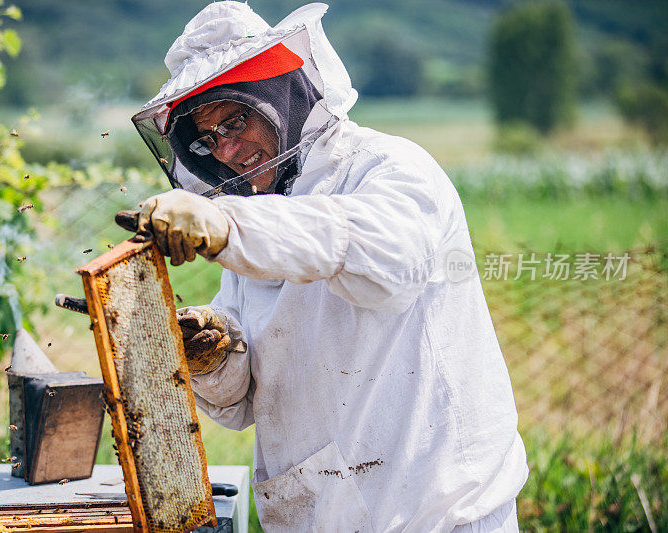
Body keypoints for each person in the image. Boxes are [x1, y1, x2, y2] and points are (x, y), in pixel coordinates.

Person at [127, 2, 528, 531]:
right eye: (207, 138)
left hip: (440, 511)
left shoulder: (387, 167)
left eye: (236, 119)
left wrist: (228, 225)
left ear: (282, 94)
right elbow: (241, 401)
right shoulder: (256, 214)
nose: (225, 149)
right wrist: (212, 351)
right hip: (319, 511)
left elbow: (385, 261)